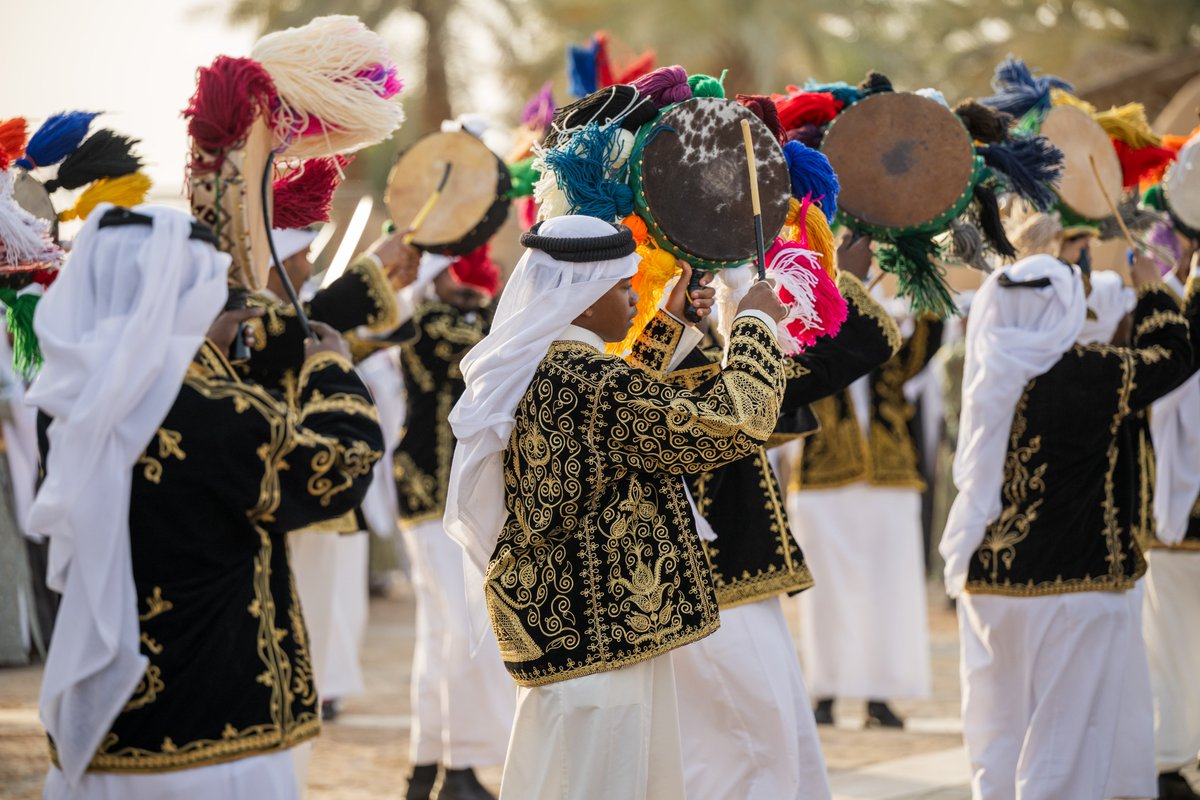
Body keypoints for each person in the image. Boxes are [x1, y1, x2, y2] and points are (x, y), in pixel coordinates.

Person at [30, 205, 384, 798]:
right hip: (217, 725)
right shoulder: (215, 409)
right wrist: (331, 374)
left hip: (108, 719)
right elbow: (338, 471)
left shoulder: (63, 404)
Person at [443, 215, 787, 800]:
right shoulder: (591, 379)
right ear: (580, 302)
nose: (635, 297)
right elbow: (737, 421)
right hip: (599, 643)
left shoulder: (547, 368)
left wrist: (671, 326)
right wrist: (754, 324)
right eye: (624, 288)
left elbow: (613, 423)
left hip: (578, 629)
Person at [627, 235, 901, 800]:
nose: (696, 286)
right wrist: (825, 287)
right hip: (713, 592)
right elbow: (814, 371)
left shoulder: (670, 360)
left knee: (764, 746)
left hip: (732, 587)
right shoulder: (643, 368)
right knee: (747, 753)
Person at [939, 246, 1197, 800]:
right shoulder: (1087, 375)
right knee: (1065, 749)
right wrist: (1153, 286)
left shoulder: (986, 377)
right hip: (1073, 593)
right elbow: (1174, 357)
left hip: (990, 584)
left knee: (999, 740)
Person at [787, 289, 943, 728]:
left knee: (889, 590)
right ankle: (828, 689)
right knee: (827, 593)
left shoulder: (886, 347)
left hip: (890, 476)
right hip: (822, 479)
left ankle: (879, 692)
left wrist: (919, 270)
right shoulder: (807, 334)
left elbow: (924, 345)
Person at [392, 244, 513, 800]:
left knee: (441, 634)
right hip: (439, 497)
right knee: (465, 629)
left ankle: (429, 763)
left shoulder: (446, 317)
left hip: (433, 496)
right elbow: (496, 353)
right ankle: (459, 766)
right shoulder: (432, 322)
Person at [1140, 236, 1200, 800]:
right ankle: (1174, 756)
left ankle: (1174, 756)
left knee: (1174, 643)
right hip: (1178, 518)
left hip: (1178, 514)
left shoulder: (1177, 310)